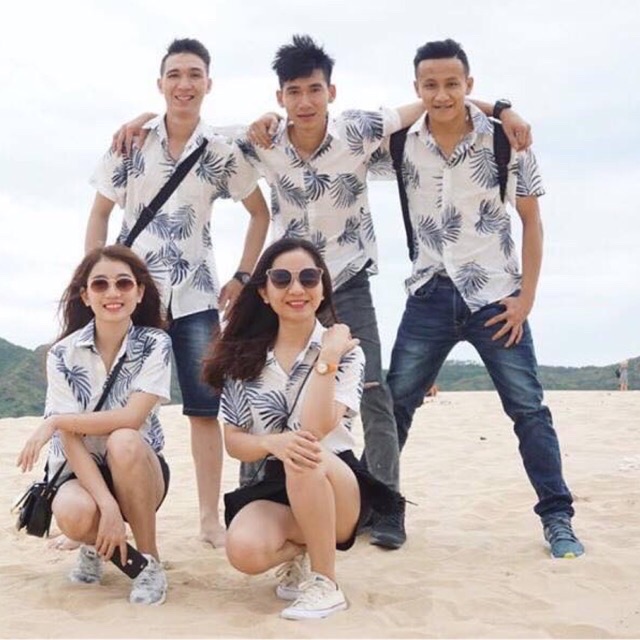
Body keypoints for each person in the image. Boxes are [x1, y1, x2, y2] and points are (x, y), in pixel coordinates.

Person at [112, 33, 532, 550]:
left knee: (373, 393)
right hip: (287, 285)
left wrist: (502, 109)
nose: (305, 101)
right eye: (294, 92)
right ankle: (254, 496)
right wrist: (140, 121)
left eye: (314, 89)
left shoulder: (359, 130)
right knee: (257, 383)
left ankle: (387, 510)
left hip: (347, 280)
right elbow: (190, 123)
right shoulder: (262, 141)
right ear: (280, 97)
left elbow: (436, 101)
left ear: (331, 92)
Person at [385, 39, 584, 559]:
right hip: (428, 292)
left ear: (469, 84)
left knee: (528, 410)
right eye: (430, 85)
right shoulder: (401, 142)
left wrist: (526, 299)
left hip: (496, 298)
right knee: (394, 405)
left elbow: (532, 222)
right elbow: (343, 141)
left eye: (452, 84)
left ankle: (558, 518)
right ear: (416, 88)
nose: (442, 94)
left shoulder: (505, 140)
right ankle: (382, 509)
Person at [86, 38, 271, 548]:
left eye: (194, 75)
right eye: (174, 75)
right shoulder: (131, 142)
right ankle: (105, 513)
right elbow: (100, 212)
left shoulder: (220, 149)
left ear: (208, 83)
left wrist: (244, 276)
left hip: (196, 297)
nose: (184, 84)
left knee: (204, 410)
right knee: (112, 403)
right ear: (160, 83)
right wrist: (95, 280)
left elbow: (260, 213)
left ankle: (210, 519)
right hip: (130, 298)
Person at [202, 237, 402, 620]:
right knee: (243, 551)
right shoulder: (242, 359)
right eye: (282, 279)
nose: (297, 289)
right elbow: (235, 443)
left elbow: (315, 428)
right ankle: (302, 550)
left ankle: (326, 583)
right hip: (278, 480)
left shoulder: (347, 351)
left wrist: (327, 356)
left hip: (336, 481)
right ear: (264, 292)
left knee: (304, 452)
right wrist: (272, 443)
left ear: (323, 287)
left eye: (309, 278)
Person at [17, 245, 172, 605]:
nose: (113, 292)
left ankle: (150, 561)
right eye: (100, 284)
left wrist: (57, 420)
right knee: (72, 513)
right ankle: (99, 547)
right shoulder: (62, 354)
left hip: (140, 468)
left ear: (139, 292)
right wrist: (108, 507)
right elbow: (71, 439)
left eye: (123, 283)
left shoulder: (155, 343)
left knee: (124, 439)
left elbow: (132, 418)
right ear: (86, 296)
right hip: (81, 472)